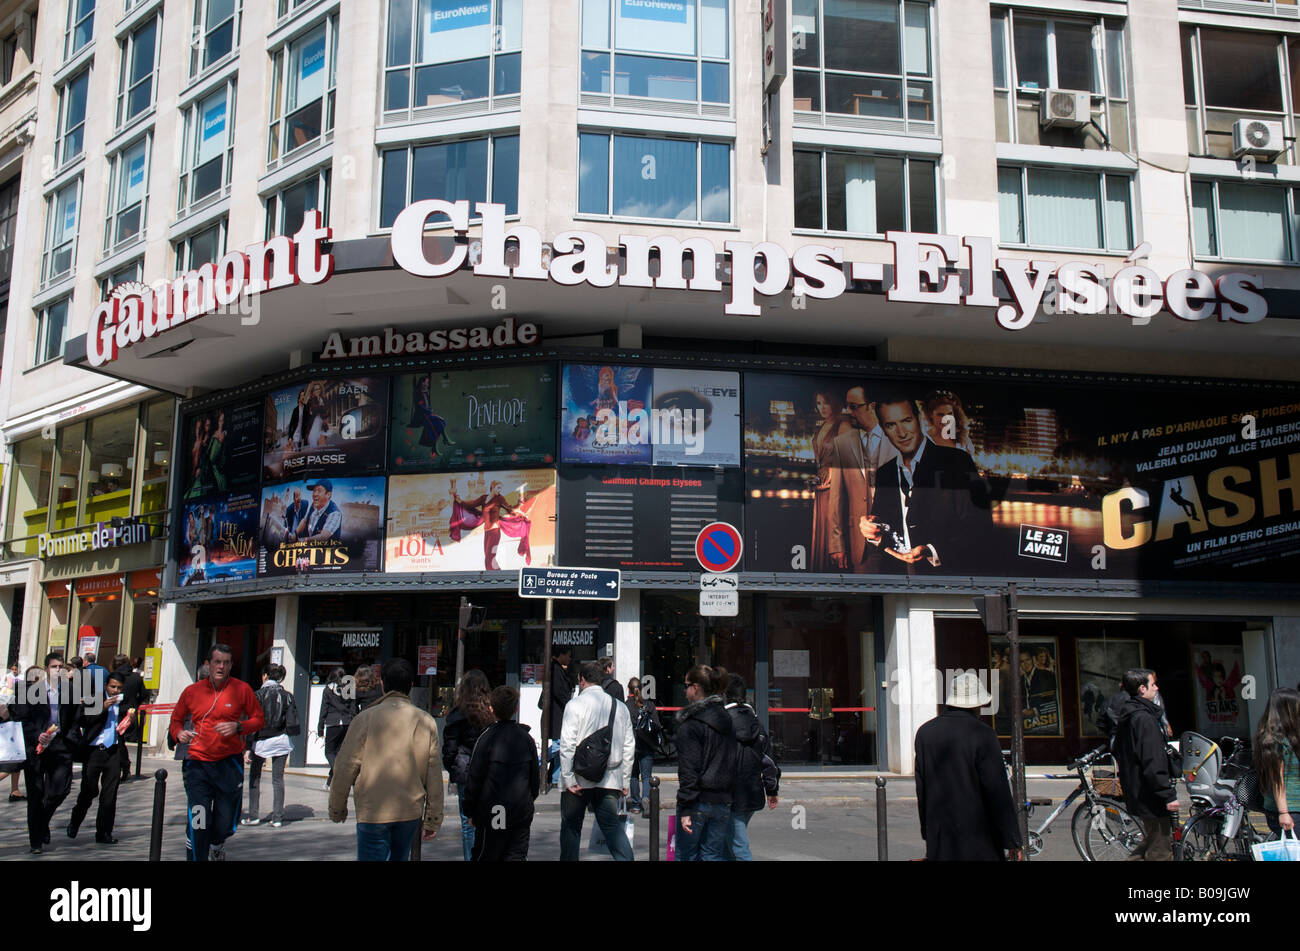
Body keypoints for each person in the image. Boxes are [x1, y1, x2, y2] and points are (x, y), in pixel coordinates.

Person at [859, 393, 992, 574]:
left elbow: (980, 528)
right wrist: (872, 532)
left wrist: (931, 551)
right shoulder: (886, 473)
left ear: (919, 419)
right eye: (891, 425)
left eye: (906, 420)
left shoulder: (957, 462)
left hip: (947, 580)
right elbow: (884, 528)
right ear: (883, 428)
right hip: (896, 582)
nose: (901, 433)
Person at [328, 657, 444, 861]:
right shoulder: (425, 720)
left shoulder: (364, 718)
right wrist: (433, 818)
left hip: (372, 809)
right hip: (409, 809)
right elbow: (433, 773)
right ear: (410, 685)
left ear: (382, 684)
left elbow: (345, 765)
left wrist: (337, 807)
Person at [169, 644, 265, 862]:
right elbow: (175, 720)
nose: (221, 667)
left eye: (226, 663)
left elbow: (259, 719)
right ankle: (197, 855)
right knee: (199, 818)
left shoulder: (242, 690)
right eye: (217, 662)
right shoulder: (192, 692)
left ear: (231, 665)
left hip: (229, 764)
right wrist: (179, 733)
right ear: (208, 664)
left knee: (225, 823)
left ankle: (218, 843)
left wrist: (238, 727)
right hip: (198, 765)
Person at [914, 671, 1022, 861]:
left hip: (941, 836)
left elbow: (922, 790)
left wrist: (928, 834)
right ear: (977, 705)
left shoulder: (925, 734)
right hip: (980, 838)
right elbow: (997, 792)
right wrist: (1012, 840)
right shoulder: (983, 734)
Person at [0, 657, 83, 854]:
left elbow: (75, 717)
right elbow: (21, 719)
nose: (58, 670)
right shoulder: (28, 691)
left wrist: (69, 737)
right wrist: (37, 734)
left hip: (61, 745)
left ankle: (42, 820)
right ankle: (35, 841)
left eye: (61, 667)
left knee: (60, 789)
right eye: (54, 667)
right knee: (35, 794)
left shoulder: (70, 690)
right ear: (46, 669)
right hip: (35, 748)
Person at [559, 660, 635, 861]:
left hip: (579, 777)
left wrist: (567, 778)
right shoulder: (620, 707)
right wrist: (625, 781)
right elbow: (629, 747)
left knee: (571, 828)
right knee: (612, 828)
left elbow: (567, 744)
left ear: (582, 680)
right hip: (610, 777)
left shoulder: (574, 705)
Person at [463, 685, 540, 861]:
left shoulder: (486, 738)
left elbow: (474, 778)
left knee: (487, 853)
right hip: (519, 809)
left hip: (493, 810)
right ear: (516, 709)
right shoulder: (526, 739)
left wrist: (470, 810)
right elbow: (535, 778)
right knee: (516, 855)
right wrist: (528, 800)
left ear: (491, 709)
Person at [828, 385, 897, 572]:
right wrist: (837, 545)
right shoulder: (842, 443)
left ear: (871, 406)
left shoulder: (898, 438)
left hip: (898, 540)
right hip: (859, 544)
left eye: (853, 406)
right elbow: (836, 497)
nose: (847, 411)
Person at [1112, 667, 1179, 861]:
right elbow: (1153, 761)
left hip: (1139, 791)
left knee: (1151, 843)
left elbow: (1117, 749)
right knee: (1160, 851)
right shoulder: (1144, 719)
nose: (1157, 688)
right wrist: (1167, 794)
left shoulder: (1129, 715)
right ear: (1142, 688)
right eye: (1153, 684)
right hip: (1150, 794)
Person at [674, 664, 738, 862]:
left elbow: (688, 769)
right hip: (722, 800)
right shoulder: (726, 719)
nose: (684, 691)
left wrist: (685, 807)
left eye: (686, 685)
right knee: (713, 856)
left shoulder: (691, 725)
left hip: (698, 801)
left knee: (686, 855)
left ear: (697, 688)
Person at [67, 670, 128, 844]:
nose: (115, 691)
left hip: (113, 750)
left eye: (119, 688)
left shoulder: (123, 703)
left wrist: (130, 720)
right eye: (112, 687)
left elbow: (128, 729)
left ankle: (104, 832)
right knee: (89, 790)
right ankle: (75, 820)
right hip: (95, 750)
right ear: (106, 685)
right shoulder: (94, 699)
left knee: (110, 794)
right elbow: (84, 720)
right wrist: (103, 708)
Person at [723, 674, 779, 861]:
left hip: (731, 792)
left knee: (738, 845)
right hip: (753, 789)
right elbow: (768, 761)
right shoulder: (757, 724)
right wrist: (771, 789)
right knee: (729, 840)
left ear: (725, 694)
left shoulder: (723, 723)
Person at [442, 669, 493, 861]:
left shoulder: (457, 714)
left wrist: (453, 767)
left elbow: (450, 749)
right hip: (488, 771)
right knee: (489, 820)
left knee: (467, 822)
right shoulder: (490, 712)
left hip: (466, 771)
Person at [243, 664, 296, 828]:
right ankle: (278, 817)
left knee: (255, 776)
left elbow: (251, 722)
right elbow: (293, 720)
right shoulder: (287, 696)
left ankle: (253, 815)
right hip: (281, 740)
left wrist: (247, 746)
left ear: (265, 676)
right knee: (278, 778)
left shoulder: (257, 695)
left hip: (261, 740)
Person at [809, 389, 851, 571]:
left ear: (835, 402)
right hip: (822, 490)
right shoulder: (821, 427)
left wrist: (831, 472)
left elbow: (848, 465)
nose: (822, 407)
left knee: (832, 538)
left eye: (826, 402)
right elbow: (822, 462)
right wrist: (817, 476)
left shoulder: (844, 425)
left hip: (836, 490)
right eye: (819, 403)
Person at [1253, 687, 1300, 836]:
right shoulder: (1275, 741)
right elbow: (1276, 779)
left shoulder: (1288, 737)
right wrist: (1283, 812)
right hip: (1290, 811)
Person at [626, 676, 663, 816]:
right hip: (646, 745)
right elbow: (657, 725)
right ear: (641, 689)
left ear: (628, 689)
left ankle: (635, 804)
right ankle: (646, 798)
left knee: (633, 776)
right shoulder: (649, 705)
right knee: (647, 776)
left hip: (631, 745)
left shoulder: (626, 705)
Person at [317, 668, 358, 791]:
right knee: (338, 754)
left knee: (329, 752)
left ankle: (340, 773)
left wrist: (320, 727)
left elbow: (323, 709)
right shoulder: (349, 688)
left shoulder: (328, 689)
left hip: (333, 723)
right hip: (346, 723)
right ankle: (329, 783)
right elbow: (353, 707)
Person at [112, 653, 146, 783]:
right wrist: (135, 704)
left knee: (118, 741)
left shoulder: (114, 678)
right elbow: (144, 694)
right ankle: (124, 766)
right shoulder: (136, 678)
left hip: (116, 713)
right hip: (130, 713)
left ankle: (123, 766)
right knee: (120, 741)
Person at [543, 647, 573, 786]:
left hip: (557, 714)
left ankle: (554, 778)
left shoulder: (557, 669)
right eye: (568, 655)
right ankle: (538, 760)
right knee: (558, 746)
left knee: (559, 747)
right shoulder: (556, 670)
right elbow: (560, 692)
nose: (569, 658)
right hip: (557, 715)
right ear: (561, 655)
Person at [921, 389, 975, 456]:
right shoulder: (922, 441)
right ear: (930, 415)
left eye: (949, 414)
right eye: (941, 415)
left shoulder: (963, 439)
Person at [0, 663, 24, 801]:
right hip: (11, 729)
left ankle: (15, 791)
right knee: (14, 764)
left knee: (16, 762)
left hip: (15, 730)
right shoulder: (8, 689)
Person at [292, 479, 342, 543]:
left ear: (328, 494)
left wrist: (302, 540)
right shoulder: (313, 505)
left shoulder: (335, 513)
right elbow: (304, 521)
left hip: (328, 551)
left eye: (319, 491)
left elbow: (323, 537)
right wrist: (294, 535)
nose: (315, 494)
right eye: (314, 491)